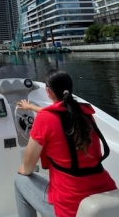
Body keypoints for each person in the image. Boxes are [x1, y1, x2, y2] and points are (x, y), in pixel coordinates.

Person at [14, 69, 117, 217]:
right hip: (104, 193)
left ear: (48, 92)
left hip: (69, 208)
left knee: (20, 180)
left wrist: (23, 169)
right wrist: (31, 108)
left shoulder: (44, 119)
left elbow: (29, 165)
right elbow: (60, 114)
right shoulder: (86, 115)